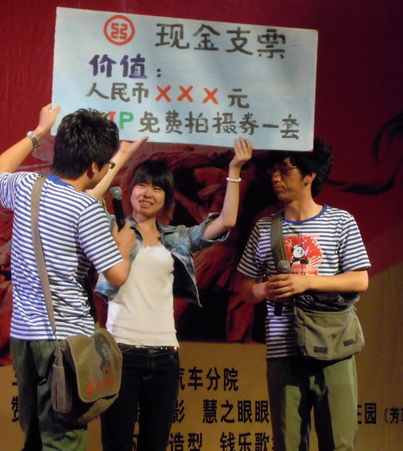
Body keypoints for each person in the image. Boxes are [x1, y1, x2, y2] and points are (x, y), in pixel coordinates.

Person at [0, 104, 142, 451]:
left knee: (35, 437)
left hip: (24, 339)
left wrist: (39, 132)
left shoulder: (27, 186)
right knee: (63, 442)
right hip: (67, 343)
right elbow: (117, 275)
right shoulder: (87, 210)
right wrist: (124, 246)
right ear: (93, 166)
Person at [95, 138, 253, 451]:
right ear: (130, 189)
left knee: (155, 444)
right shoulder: (112, 228)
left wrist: (234, 169)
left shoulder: (177, 238)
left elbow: (226, 221)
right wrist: (122, 156)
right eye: (141, 184)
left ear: (167, 197)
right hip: (120, 353)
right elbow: (89, 198)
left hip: (165, 355)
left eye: (157, 187)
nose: (147, 192)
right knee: (116, 444)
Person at [236, 138, 371, 451]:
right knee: (288, 443)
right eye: (274, 170)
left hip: (332, 346)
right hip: (283, 350)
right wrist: (262, 289)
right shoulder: (264, 227)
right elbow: (244, 288)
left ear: (310, 175)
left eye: (285, 170)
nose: (276, 177)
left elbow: (360, 279)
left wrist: (306, 283)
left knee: (338, 443)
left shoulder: (340, 221)